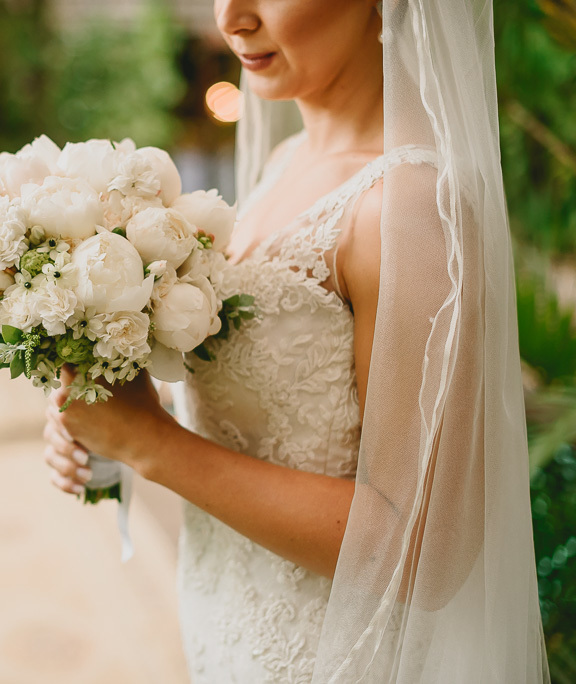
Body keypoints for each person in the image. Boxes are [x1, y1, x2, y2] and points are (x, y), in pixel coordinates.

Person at [42, 0, 551, 681]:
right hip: (231, 627)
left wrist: (153, 444)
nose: (232, 17)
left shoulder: (407, 204)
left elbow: (425, 547)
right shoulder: (286, 159)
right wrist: (110, 410)